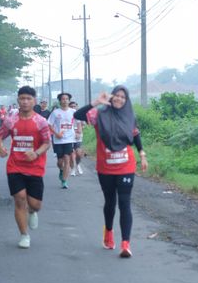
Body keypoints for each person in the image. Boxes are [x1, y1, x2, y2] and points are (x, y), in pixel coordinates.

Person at [74, 85, 148, 258]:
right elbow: (77, 115)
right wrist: (96, 102)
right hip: (105, 167)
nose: (119, 99)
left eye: (123, 97)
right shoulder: (99, 114)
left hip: (126, 166)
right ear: (111, 96)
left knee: (124, 202)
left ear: (126, 100)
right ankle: (108, 231)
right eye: (117, 95)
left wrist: (142, 155)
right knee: (110, 202)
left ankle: (125, 244)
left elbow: (135, 135)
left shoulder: (130, 116)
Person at [0, 86, 51, 249]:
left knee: (35, 205)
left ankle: (32, 211)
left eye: (28, 99)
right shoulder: (11, 120)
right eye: (22, 98)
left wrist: (36, 153)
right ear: (18, 100)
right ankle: (24, 235)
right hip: (15, 166)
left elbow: (47, 143)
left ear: (34, 101)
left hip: (35, 167)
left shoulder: (41, 122)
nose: (25, 102)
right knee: (19, 199)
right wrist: (0, 147)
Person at [47, 92, 75, 189]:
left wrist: (78, 130)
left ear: (69, 101)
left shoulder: (73, 111)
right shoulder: (55, 112)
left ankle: (64, 181)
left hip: (69, 139)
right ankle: (61, 170)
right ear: (60, 101)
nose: (65, 101)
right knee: (60, 162)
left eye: (67, 99)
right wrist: (56, 133)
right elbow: (49, 124)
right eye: (63, 99)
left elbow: (79, 121)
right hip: (58, 140)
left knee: (67, 158)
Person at [69, 101, 84, 176]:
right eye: (71, 106)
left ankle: (78, 164)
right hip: (69, 136)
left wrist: (78, 132)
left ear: (76, 107)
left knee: (78, 153)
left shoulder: (79, 115)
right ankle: (73, 169)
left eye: (74, 106)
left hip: (78, 136)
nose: (73, 108)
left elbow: (82, 125)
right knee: (72, 153)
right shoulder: (67, 115)